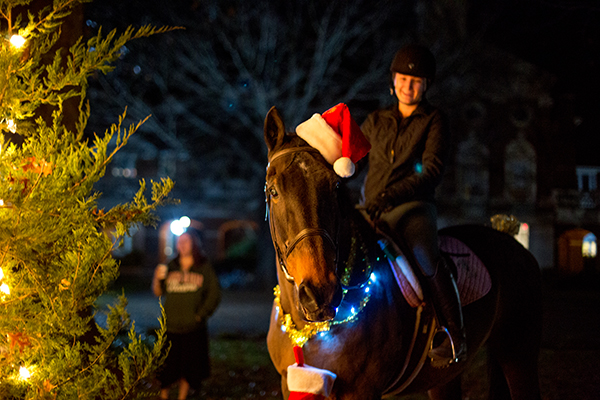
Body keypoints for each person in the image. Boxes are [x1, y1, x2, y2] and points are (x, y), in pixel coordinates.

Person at [360, 44, 466, 368]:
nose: (408, 86)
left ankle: (452, 334)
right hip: (371, 207)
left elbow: (431, 171)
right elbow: (350, 156)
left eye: (416, 80)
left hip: (413, 208)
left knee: (424, 256)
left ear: (426, 84)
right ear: (392, 80)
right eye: (403, 78)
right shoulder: (375, 120)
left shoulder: (434, 120)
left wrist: (390, 197)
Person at [152, 230, 222, 399]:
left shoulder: (203, 267)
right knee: (167, 368)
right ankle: (164, 396)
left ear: (194, 244)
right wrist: (156, 277)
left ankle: (182, 397)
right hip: (170, 327)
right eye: (179, 241)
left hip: (193, 328)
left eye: (186, 241)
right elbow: (158, 292)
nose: (181, 244)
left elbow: (214, 294)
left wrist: (200, 315)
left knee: (188, 368)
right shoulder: (170, 265)